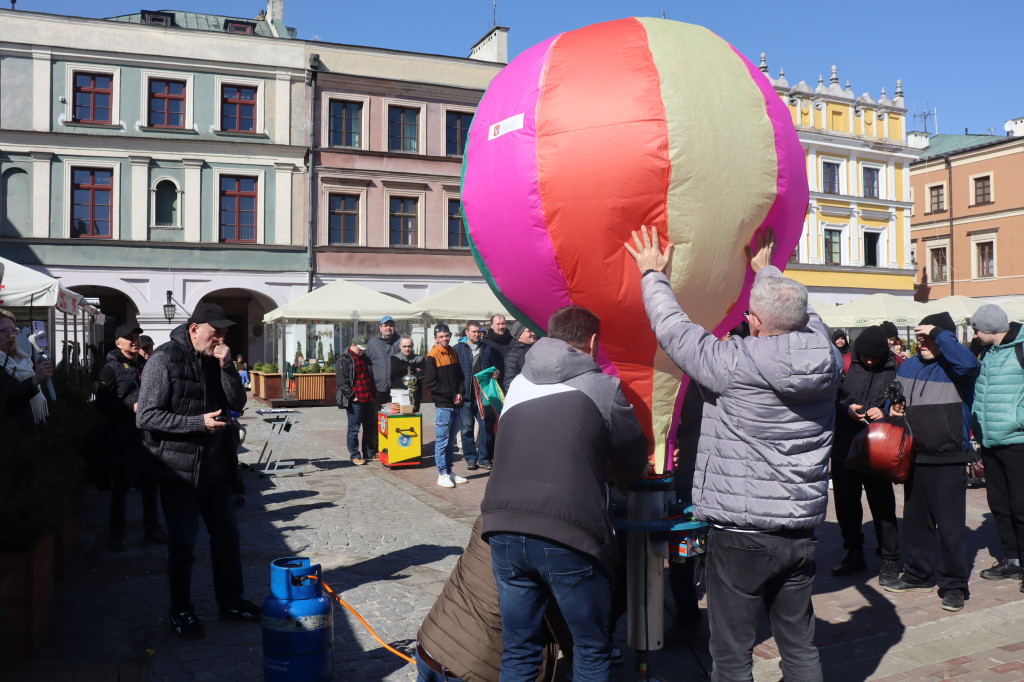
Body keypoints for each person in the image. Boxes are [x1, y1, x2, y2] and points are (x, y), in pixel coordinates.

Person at [626, 226, 841, 681]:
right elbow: (806, 315)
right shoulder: (825, 356)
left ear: (756, 323)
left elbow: (675, 331)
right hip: (799, 531)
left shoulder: (734, 363)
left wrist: (652, 275)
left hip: (740, 533)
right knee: (801, 648)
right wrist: (768, 272)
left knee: (731, 655)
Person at [481, 304, 649, 681]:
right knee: (590, 649)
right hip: (569, 529)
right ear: (592, 342)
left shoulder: (518, 383)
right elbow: (634, 454)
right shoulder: (600, 386)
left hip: (502, 525)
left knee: (520, 649)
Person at [137, 302, 259, 639]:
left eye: (223, 333)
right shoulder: (163, 359)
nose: (219, 338)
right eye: (214, 332)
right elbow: (146, 416)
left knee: (228, 538)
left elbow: (237, 405)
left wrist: (227, 366)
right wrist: (197, 423)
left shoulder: (216, 359)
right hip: (179, 472)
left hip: (216, 470)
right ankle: (181, 611)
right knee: (183, 546)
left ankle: (231, 602)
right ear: (194, 329)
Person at [884, 311, 979, 612]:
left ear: (944, 338)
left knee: (950, 528)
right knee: (916, 524)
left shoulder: (956, 367)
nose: (922, 341)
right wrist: (892, 408)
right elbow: (894, 397)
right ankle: (919, 573)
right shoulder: (909, 364)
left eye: (929, 336)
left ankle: (954, 585)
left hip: (948, 458)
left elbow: (969, 364)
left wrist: (940, 333)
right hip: (914, 455)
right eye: (920, 336)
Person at [415, 517, 569, 682]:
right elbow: (564, 620)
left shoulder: (491, 513)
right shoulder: (554, 538)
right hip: (475, 668)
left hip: (433, 644)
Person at [829, 325, 901, 584]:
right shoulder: (845, 363)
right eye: (866, 357)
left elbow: (903, 402)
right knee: (846, 504)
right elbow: (829, 399)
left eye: (875, 358)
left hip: (879, 447)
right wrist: (845, 409)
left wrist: (886, 410)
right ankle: (853, 552)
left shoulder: (897, 366)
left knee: (882, 503)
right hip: (845, 445)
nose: (870, 362)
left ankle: (890, 557)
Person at [96, 322, 166, 551]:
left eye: (137, 336)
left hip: (149, 433)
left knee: (151, 482)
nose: (135, 340)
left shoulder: (148, 365)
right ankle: (117, 534)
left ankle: (152, 527)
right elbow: (102, 404)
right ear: (118, 343)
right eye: (129, 337)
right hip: (124, 434)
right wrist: (131, 407)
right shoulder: (110, 368)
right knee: (122, 486)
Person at [969, 304, 1024, 584]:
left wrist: (1018, 419)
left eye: (977, 328)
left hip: (1017, 440)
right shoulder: (985, 352)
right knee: (999, 504)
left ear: (991, 329)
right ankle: (1012, 560)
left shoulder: (1021, 348)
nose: (975, 333)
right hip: (989, 441)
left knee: (1021, 505)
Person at [424, 324, 467, 488]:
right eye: (441, 336)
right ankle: (442, 473)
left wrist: (460, 392)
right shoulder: (432, 356)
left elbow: (460, 377)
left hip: (456, 403)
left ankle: (449, 472)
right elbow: (431, 383)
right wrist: (451, 395)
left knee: (451, 442)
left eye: (447, 336)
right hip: (443, 405)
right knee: (442, 440)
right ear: (436, 338)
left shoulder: (453, 352)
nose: (445, 339)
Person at [454, 321, 499, 471]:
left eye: (478, 332)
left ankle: (485, 458)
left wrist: (496, 372)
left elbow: (494, 367)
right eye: (473, 332)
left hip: (483, 395)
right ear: (466, 332)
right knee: (467, 429)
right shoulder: (457, 349)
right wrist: (457, 392)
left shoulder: (488, 349)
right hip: (466, 396)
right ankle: (471, 458)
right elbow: (454, 375)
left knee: (486, 427)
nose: (476, 334)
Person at [0, 309, 53, 432]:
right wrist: (33, 381)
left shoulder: (23, 361)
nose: (10, 335)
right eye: (3, 330)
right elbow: (4, 399)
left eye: (13, 330)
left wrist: (40, 372)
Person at [336, 336, 375, 466]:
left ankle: (368, 452)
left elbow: (370, 376)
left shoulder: (365, 358)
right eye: (360, 348)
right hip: (356, 399)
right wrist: (352, 395)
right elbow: (342, 382)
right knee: (354, 429)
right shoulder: (344, 359)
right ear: (353, 345)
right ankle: (354, 455)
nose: (362, 351)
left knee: (369, 427)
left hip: (368, 397)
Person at [390, 335, 424, 413]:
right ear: (400, 346)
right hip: (400, 395)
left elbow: (424, 371)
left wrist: (410, 372)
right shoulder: (395, 358)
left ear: (412, 346)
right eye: (404, 346)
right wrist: (415, 369)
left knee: (414, 418)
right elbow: (397, 370)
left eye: (409, 346)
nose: (407, 349)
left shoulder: (420, 358)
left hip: (415, 395)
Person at [501, 321, 537, 393]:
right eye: (529, 331)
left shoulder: (536, 349)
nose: (533, 333)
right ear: (520, 335)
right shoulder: (513, 355)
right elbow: (509, 381)